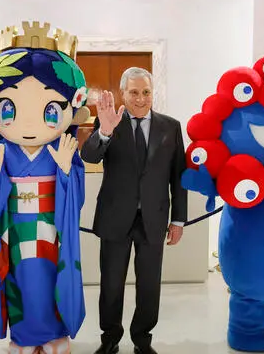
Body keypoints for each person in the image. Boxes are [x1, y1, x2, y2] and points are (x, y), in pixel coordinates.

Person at [0, 22, 90, 354]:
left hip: (52, 231)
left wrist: (68, 173)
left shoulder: (62, 148)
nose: (27, 124)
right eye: (9, 108)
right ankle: (23, 337)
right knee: (19, 284)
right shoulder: (1, 152)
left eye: (51, 110)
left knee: (51, 281)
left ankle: (54, 334)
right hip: (13, 232)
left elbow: (75, 200)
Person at [81, 67, 188, 354]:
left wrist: (178, 219)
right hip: (115, 218)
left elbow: (179, 176)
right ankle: (110, 338)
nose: (140, 98)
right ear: (123, 93)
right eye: (133, 92)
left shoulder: (171, 126)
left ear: (153, 93)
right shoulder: (109, 122)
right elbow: (89, 155)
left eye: (146, 92)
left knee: (149, 286)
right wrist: (104, 131)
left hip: (153, 220)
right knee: (111, 284)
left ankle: (142, 339)